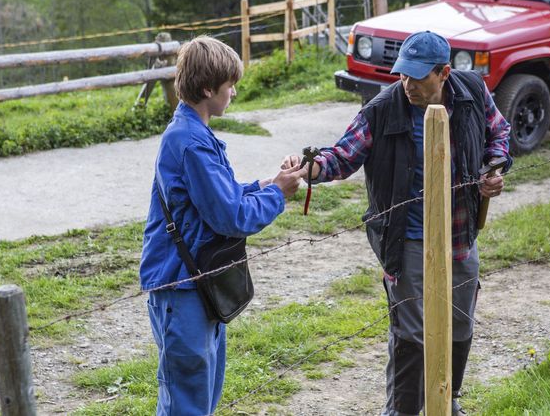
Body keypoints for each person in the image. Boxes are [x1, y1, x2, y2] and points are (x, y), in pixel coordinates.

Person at [283, 31, 512, 416]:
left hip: (459, 235)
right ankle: (402, 412)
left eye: (416, 77)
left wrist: (494, 167)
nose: (406, 84)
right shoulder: (382, 109)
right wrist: (312, 167)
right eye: (402, 74)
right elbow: (343, 155)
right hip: (405, 241)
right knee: (411, 337)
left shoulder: (472, 91)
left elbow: (499, 132)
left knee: (460, 327)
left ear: (443, 73)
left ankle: (445, 401)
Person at [139, 35, 307, 415]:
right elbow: (232, 218)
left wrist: (265, 183)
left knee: (203, 391)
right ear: (206, 88)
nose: (233, 92)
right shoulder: (191, 144)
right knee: (186, 399)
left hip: (197, 281)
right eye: (229, 85)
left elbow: (221, 196)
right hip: (181, 286)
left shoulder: (194, 134)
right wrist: (278, 195)